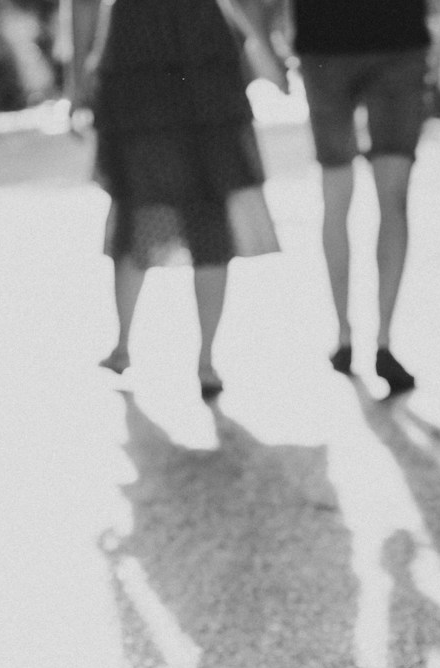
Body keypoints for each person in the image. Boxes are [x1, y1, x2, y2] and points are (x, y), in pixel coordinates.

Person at [84, 0, 287, 399]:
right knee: (194, 210)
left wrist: (80, 78)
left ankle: (130, 345)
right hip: (187, 55)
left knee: (139, 207)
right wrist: (267, 48)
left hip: (146, 57)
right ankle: (200, 359)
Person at [290, 0, 440, 395]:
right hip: (376, 41)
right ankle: (369, 336)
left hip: (342, 45)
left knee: (350, 197)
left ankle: (358, 337)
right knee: (378, 197)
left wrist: (267, 42)